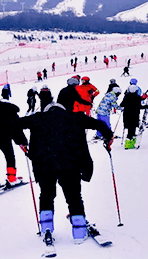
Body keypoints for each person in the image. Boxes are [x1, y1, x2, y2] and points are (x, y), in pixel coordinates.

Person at [18, 102, 113, 245]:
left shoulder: (37, 118)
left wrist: (22, 142)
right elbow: (100, 125)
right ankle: (79, 233)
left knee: (46, 195)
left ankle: (46, 228)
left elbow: (13, 124)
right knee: (74, 197)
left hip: (44, 165)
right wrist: (108, 137)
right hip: (70, 164)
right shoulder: (75, 117)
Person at [120, 84, 145, 149]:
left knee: (129, 129)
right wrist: (146, 106)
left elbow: (122, 104)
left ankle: (130, 142)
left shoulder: (126, 96)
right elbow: (139, 106)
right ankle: (129, 143)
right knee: (132, 129)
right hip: (134, 115)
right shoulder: (137, 97)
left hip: (127, 115)